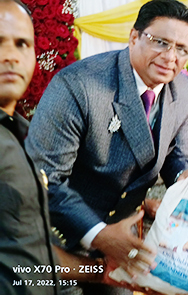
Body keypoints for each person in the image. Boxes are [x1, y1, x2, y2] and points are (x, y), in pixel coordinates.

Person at [25, 0, 188, 293]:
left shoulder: (183, 89)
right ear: (133, 36)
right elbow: (43, 181)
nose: (170, 57)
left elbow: (180, 157)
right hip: (55, 240)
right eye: (161, 42)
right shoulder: (79, 86)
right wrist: (100, 235)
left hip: (122, 244)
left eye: (182, 49)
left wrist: (184, 178)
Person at [0, 1, 112, 294]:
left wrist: (102, 271)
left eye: (22, 44)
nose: (10, 56)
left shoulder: (22, 135)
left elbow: (33, 257)